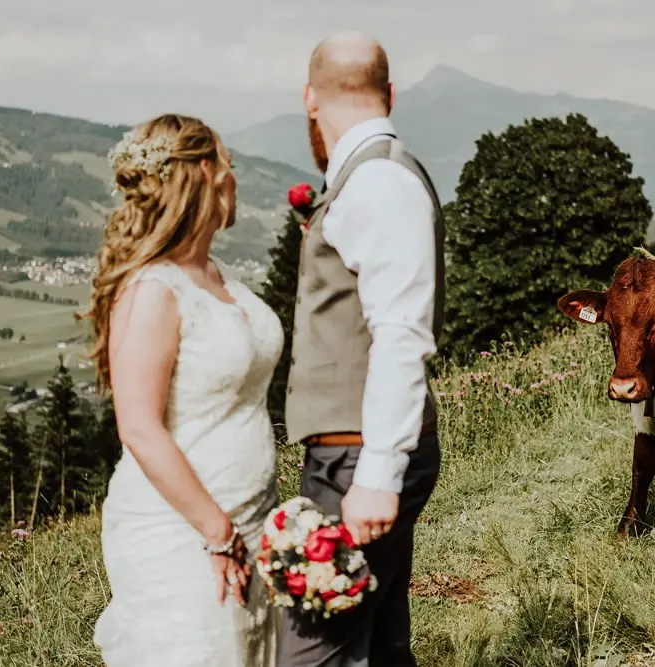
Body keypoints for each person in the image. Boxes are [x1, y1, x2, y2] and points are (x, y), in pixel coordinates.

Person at [83, 114, 283, 666]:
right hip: (182, 533)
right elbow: (140, 428)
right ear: (202, 173)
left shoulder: (217, 276)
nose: (235, 178)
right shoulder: (153, 290)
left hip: (251, 521)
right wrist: (216, 531)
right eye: (228, 165)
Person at [278, 31, 445, 666]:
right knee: (375, 644)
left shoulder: (377, 181)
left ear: (309, 98)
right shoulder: (368, 177)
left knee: (318, 645)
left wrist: (377, 475)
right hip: (353, 451)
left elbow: (401, 333)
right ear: (390, 93)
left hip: (359, 457)